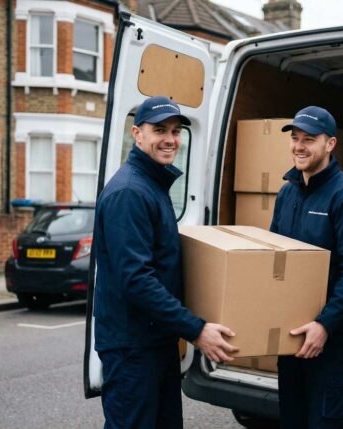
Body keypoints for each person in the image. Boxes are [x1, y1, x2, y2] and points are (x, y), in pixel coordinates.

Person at [93, 96, 238, 429]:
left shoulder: (151, 185)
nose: (170, 139)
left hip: (154, 342)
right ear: (137, 134)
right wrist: (196, 329)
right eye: (159, 130)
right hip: (132, 348)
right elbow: (137, 280)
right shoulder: (130, 192)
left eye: (175, 130)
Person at [270, 106, 343, 428]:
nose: (299, 146)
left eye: (309, 139)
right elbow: (274, 259)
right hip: (291, 333)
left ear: (329, 144)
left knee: (323, 422)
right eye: (295, 138)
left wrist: (324, 324)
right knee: (292, 419)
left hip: (329, 338)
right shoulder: (287, 193)